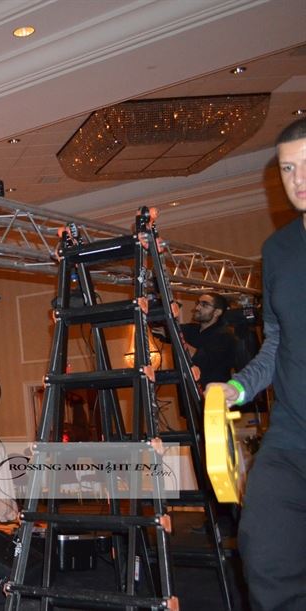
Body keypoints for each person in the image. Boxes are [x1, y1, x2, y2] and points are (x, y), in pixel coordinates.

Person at [210, 117, 306, 611]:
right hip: (291, 438)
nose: (298, 179)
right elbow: (276, 343)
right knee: (264, 554)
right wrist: (239, 389)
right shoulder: (278, 250)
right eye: (288, 168)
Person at [181, 293, 242, 388]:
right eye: (198, 303)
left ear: (217, 312)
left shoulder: (226, 336)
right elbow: (164, 330)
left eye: (204, 305)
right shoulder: (192, 329)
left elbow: (204, 360)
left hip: (215, 393)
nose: (197, 307)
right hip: (189, 392)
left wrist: (180, 340)